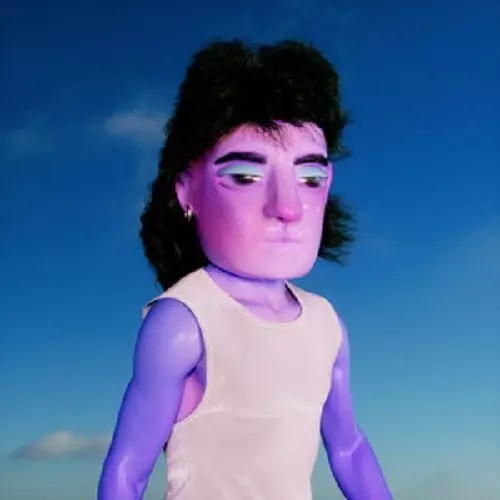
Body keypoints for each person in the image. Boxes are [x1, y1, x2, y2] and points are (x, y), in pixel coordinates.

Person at [98, 39, 392, 500]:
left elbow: (349, 448)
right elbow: (127, 470)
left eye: (310, 178)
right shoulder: (184, 320)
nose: (288, 207)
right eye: (244, 177)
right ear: (186, 190)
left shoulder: (325, 323)